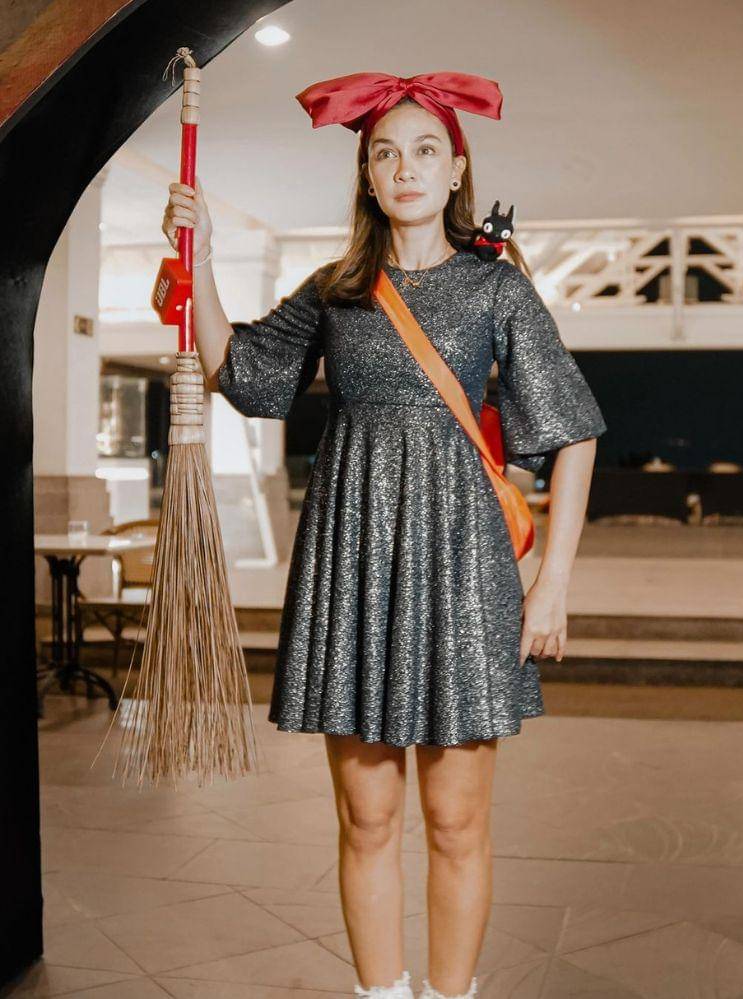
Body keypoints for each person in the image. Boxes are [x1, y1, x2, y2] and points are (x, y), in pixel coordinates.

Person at [162, 71, 606, 999]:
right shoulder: (337, 290)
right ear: (367, 174)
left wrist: (553, 585)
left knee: (456, 822)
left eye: (425, 150)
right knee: (365, 821)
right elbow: (242, 372)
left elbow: (573, 431)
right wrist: (199, 261)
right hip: (352, 570)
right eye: (386, 152)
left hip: (464, 572)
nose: (405, 167)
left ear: (457, 171)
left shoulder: (497, 290)